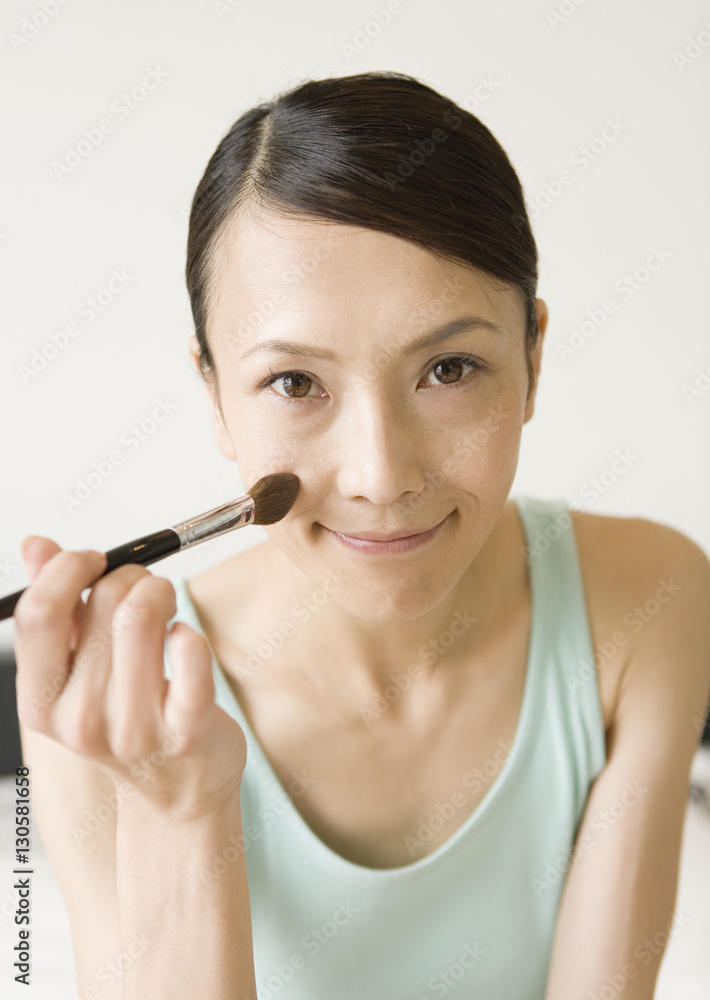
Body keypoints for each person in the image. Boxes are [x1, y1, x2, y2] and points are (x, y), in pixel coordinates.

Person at [14, 70, 710, 999]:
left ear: (534, 357)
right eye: (295, 384)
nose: (381, 478)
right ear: (213, 391)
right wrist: (183, 813)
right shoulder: (102, 709)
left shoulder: (648, 599)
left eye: (450, 368)